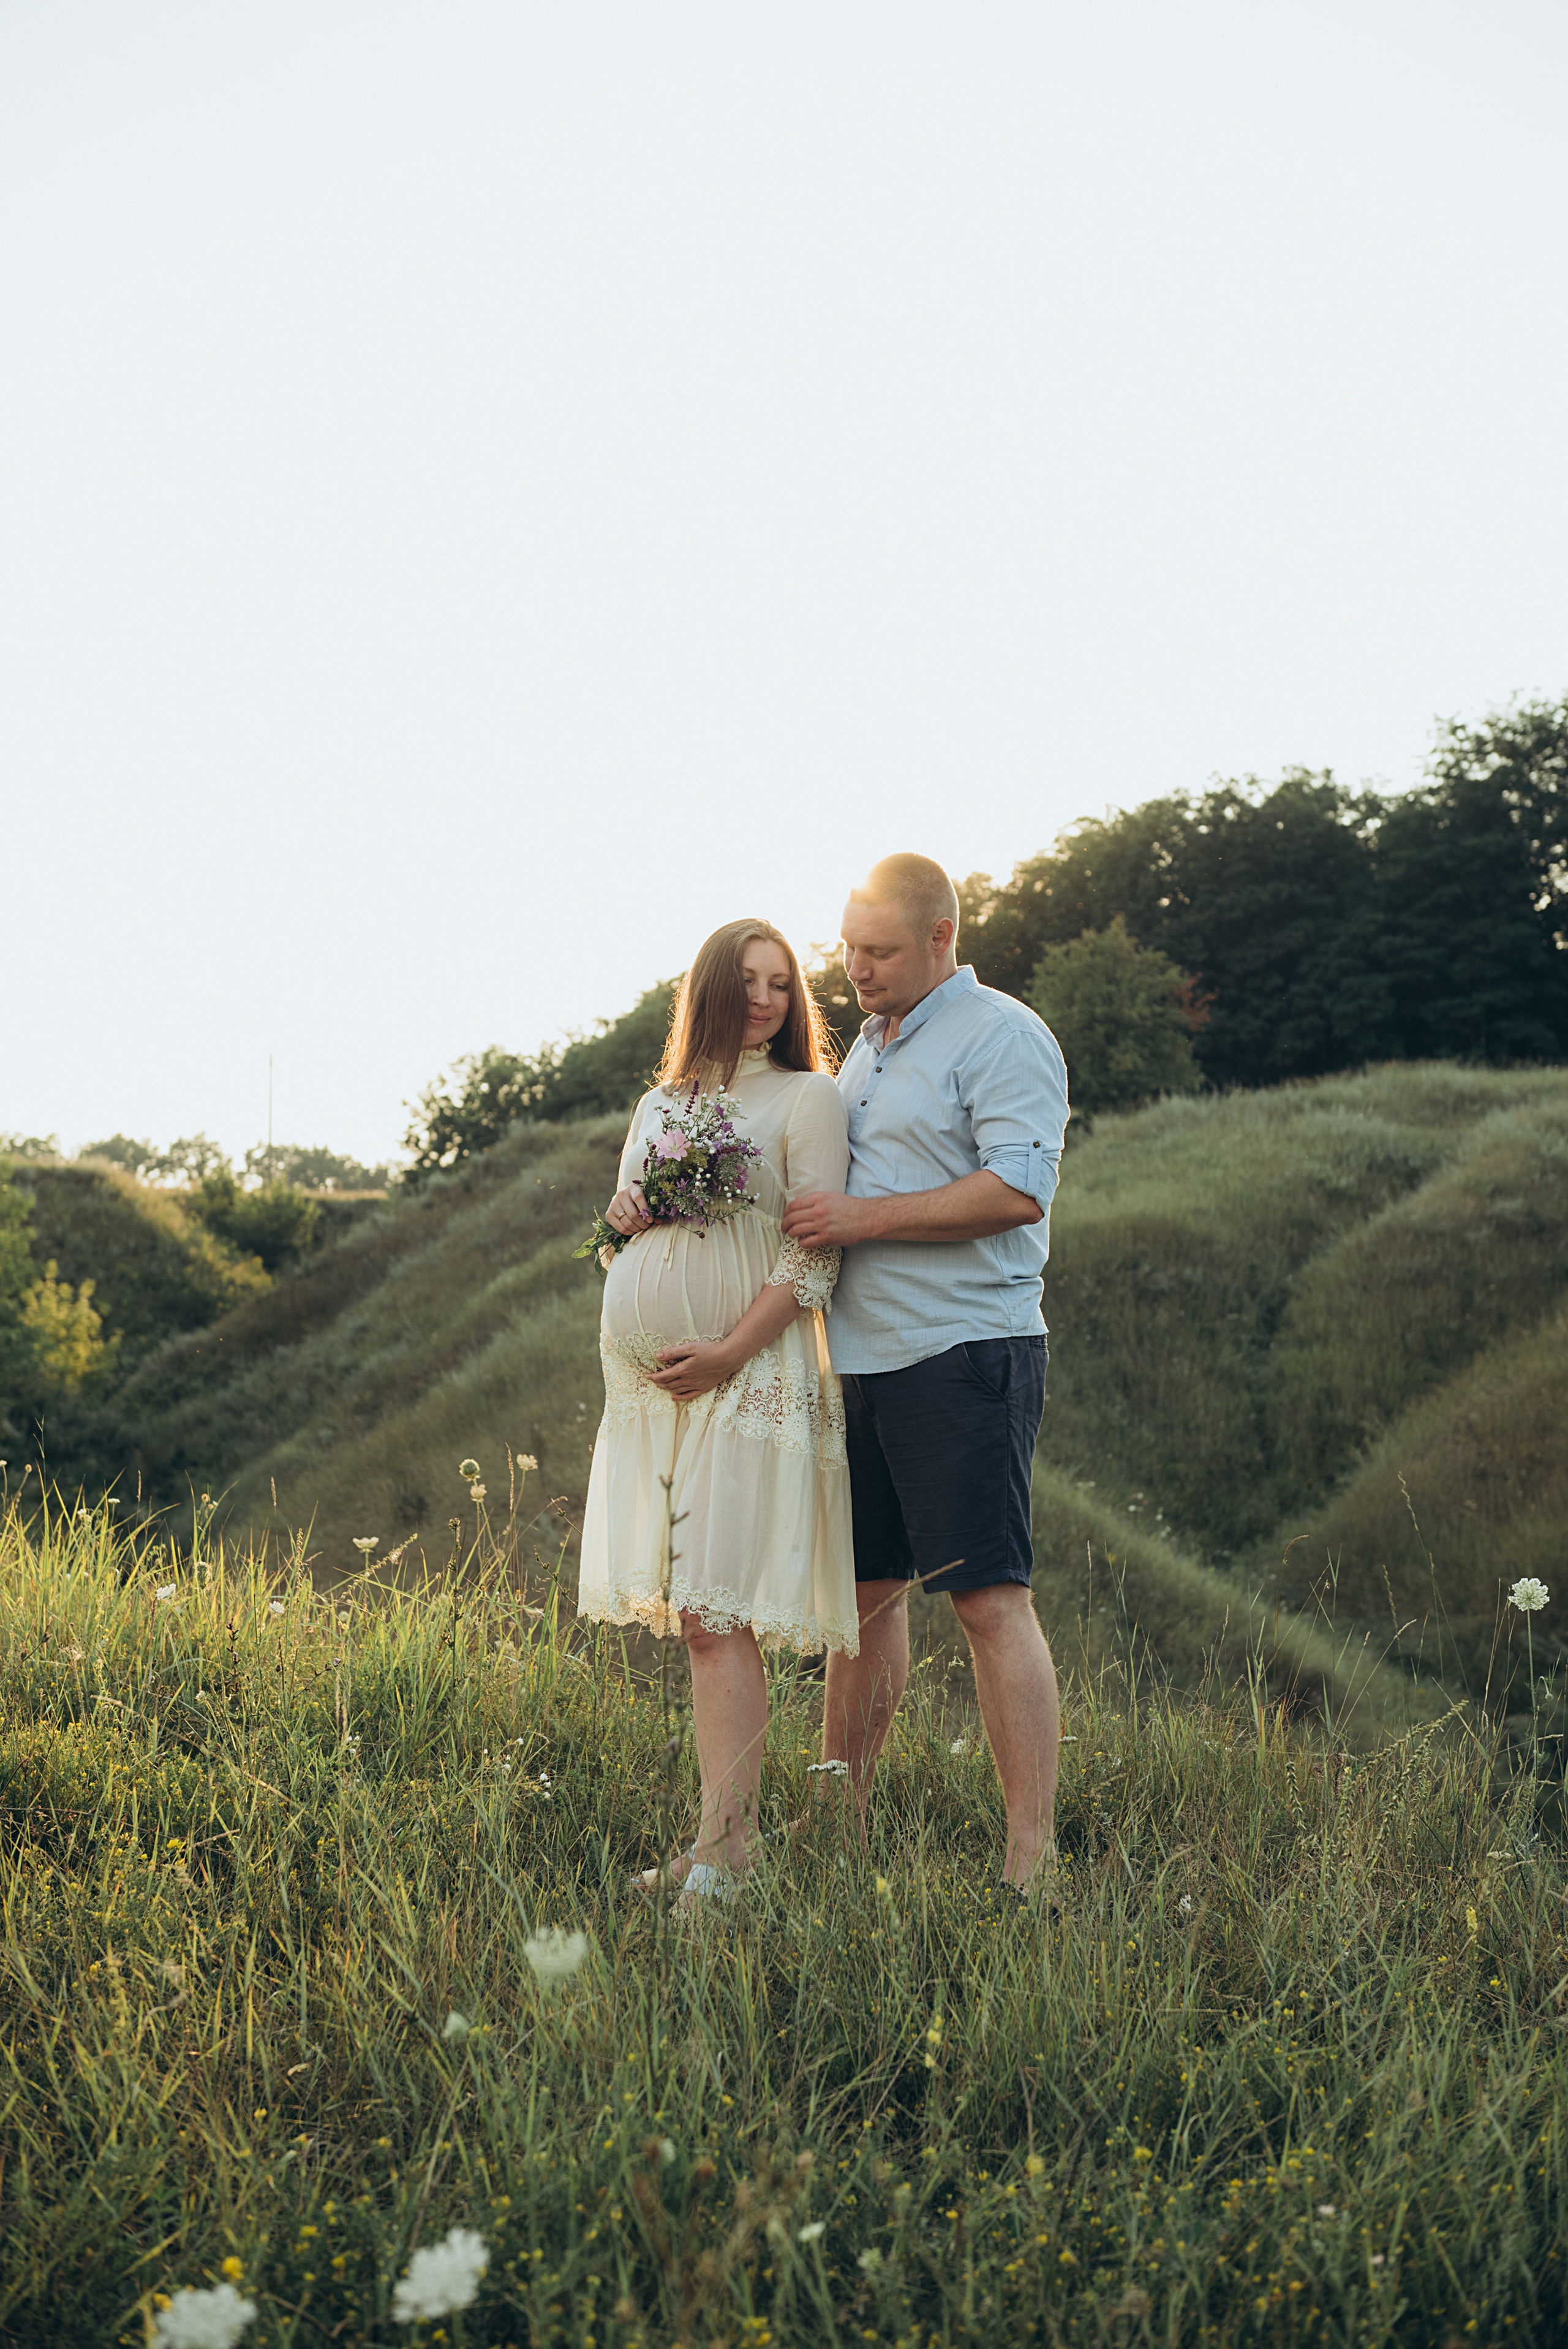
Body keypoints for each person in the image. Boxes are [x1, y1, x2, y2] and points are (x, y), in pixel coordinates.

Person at [782, 853, 1069, 1892]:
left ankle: (1030, 1862)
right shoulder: (865, 1047)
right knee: (862, 1605)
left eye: (882, 950)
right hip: (859, 1362)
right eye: (851, 949)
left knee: (990, 1602)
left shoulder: (1003, 1034)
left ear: (942, 936)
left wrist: (861, 1220)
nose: (858, 968)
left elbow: (1016, 1191)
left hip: (963, 1353)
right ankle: (836, 1829)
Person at [576, 920, 856, 1900]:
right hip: (654, 1392)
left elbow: (815, 1252)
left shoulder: (808, 1096)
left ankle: (727, 1859)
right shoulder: (660, 1101)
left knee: (713, 1611)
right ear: (710, 989)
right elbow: (625, 1231)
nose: (770, 999)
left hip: (755, 1369)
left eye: (784, 983)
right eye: (749, 982)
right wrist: (618, 1228)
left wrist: (731, 1348)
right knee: (701, 1620)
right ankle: (718, 1848)